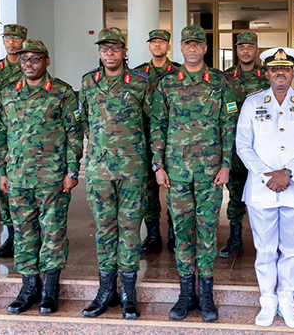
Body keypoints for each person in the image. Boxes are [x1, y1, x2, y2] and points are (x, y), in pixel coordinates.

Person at [149, 25, 238, 323]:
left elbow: (229, 125)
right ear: (181, 48)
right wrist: (158, 166)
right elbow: (158, 125)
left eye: (197, 44)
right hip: (176, 172)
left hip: (210, 172)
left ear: (204, 49)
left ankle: (207, 294)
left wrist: (226, 164)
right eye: (186, 44)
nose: (191, 49)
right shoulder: (167, 83)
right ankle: (186, 293)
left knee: (207, 231)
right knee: (183, 232)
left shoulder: (220, 82)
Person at [235, 47, 294, 328]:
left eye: (285, 69)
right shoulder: (252, 103)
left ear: (293, 72)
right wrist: (268, 176)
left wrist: (288, 173)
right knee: (265, 248)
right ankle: (267, 300)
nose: (280, 73)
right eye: (275, 69)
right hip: (262, 190)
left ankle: (287, 299)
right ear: (267, 73)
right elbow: (243, 146)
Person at [0, 39, 83, 315]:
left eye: (35, 59)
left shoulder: (62, 93)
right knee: (23, 233)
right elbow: (0, 134)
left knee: (53, 232)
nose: (28, 64)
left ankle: (49, 290)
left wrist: (72, 171)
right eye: (24, 59)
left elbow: (74, 134)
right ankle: (28, 288)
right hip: (19, 177)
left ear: (46, 61)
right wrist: (2, 171)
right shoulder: (8, 93)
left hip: (52, 177)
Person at [80, 28, 151, 320]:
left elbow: (151, 123)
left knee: (131, 232)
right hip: (99, 172)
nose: (109, 53)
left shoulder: (139, 83)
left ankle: (128, 293)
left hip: (132, 171)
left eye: (114, 48)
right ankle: (106, 291)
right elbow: (85, 120)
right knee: (105, 232)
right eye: (104, 49)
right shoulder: (88, 82)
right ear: (99, 53)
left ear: (124, 52)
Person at [221, 31, 268, 258]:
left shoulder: (265, 77)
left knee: (265, 192)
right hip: (235, 145)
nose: (245, 51)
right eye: (241, 47)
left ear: (256, 50)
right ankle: (235, 237)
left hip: (262, 146)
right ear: (237, 51)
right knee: (236, 192)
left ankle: (266, 239)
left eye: (250, 47)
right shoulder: (226, 77)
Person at [134, 29, 180, 254]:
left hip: (171, 140)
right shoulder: (139, 74)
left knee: (172, 188)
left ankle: (173, 234)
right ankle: (152, 235)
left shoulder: (179, 73)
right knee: (148, 189)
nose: (157, 45)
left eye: (162, 42)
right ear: (149, 46)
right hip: (143, 140)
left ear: (168, 46)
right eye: (153, 42)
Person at [0, 23, 28, 259]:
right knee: (5, 188)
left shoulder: (29, 65)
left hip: (26, 131)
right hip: (2, 132)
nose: (11, 42)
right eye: (7, 37)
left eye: (16, 38)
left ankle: (31, 237)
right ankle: (11, 236)